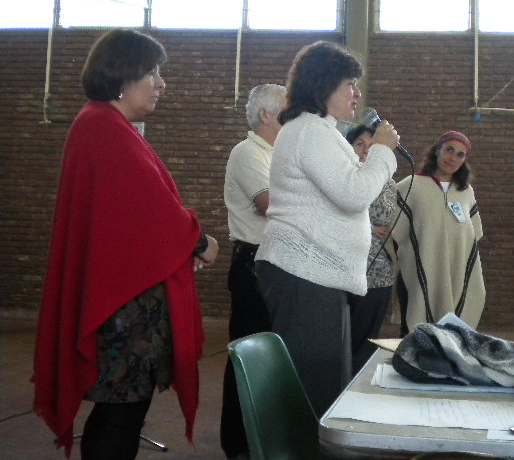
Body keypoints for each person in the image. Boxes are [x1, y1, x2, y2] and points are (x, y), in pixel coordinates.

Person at [31, 29, 219, 460]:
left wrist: (176, 249)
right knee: (121, 413)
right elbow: (154, 213)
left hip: (125, 303)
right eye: (152, 72)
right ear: (123, 74)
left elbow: (131, 221)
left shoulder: (105, 124)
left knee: (124, 412)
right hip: (123, 313)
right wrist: (200, 242)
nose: (161, 83)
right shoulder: (104, 128)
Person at [253, 41, 400, 417]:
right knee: (315, 389)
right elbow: (354, 194)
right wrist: (383, 151)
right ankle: (306, 445)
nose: (357, 93)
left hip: (316, 275)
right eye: (350, 84)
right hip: (304, 274)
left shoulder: (320, 131)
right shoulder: (309, 130)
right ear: (323, 84)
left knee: (327, 381)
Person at [220, 83, 286, 460]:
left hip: (279, 263)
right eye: (288, 109)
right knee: (248, 356)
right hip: (254, 263)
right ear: (266, 114)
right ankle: (239, 443)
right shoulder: (247, 152)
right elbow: (269, 204)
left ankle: (267, 436)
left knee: (274, 357)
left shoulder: (280, 154)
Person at [392, 131, 485, 332]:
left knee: (450, 337)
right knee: (414, 336)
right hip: (418, 272)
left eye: (460, 154)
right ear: (437, 151)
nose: (453, 158)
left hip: (455, 272)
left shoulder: (466, 191)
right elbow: (392, 226)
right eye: (449, 150)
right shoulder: (411, 185)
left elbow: (473, 234)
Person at [345, 124, 397, 374]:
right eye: (360, 144)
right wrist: (367, 224)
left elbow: (384, 214)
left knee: (364, 342)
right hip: (343, 273)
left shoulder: (388, 182)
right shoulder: (340, 177)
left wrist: (365, 185)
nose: (366, 151)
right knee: (341, 340)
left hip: (377, 275)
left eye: (372, 146)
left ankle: (356, 385)